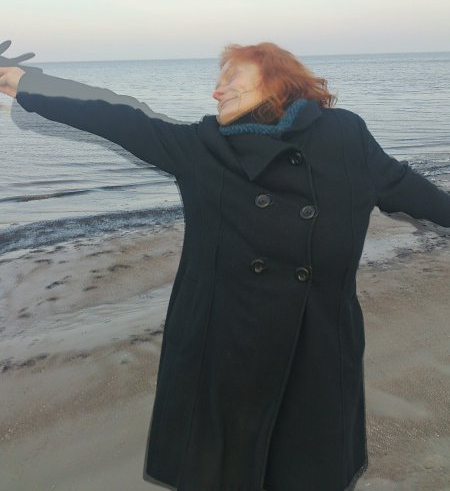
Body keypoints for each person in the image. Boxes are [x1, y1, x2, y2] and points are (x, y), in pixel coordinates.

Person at [1, 41, 449, 491]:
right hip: (223, 352)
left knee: (304, 470)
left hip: (317, 347)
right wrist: (20, 81)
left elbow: (406, 187)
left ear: (278, 79)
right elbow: (115, 115)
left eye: (231, 77)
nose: (217, 91)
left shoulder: (347, 135)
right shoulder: (203, 147)